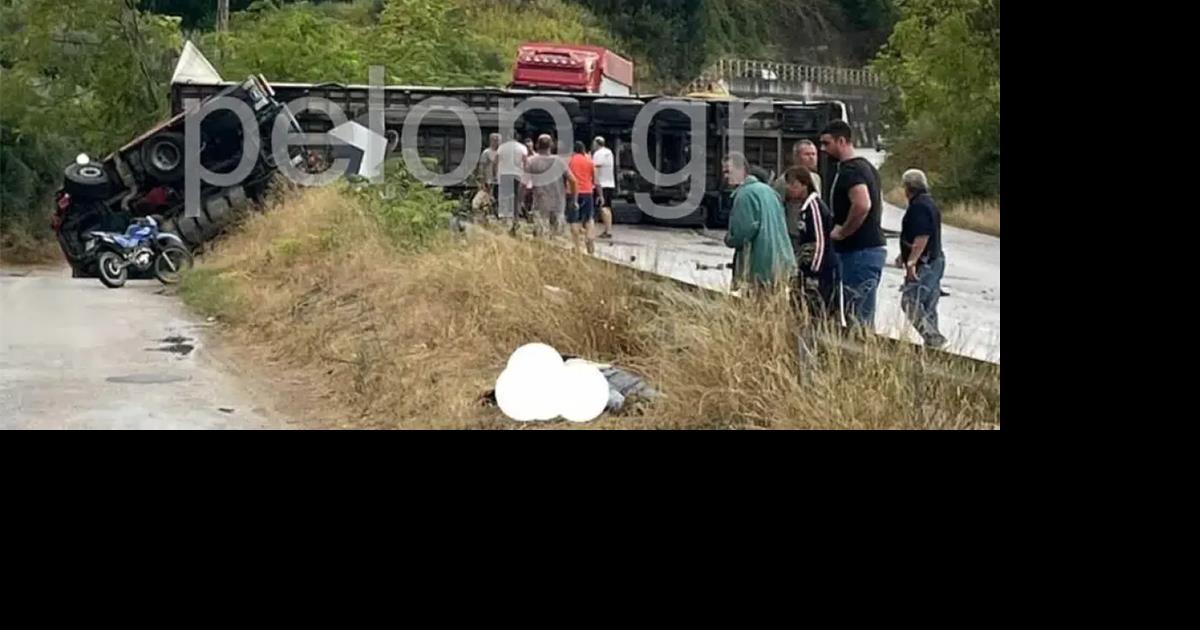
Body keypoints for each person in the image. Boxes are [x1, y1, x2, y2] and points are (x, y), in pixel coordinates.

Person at [821, 120, 886, 329]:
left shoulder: (852, 170)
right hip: (864, 251)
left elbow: (862, 204)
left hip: (859, 251)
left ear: (842, 141)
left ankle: (861, 349)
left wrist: (843, 231)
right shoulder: (866, 167)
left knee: (858, 319)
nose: (823, 149)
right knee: (857, 314)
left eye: (827, 143)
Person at [723, 152, 797, 289]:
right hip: (781, 262)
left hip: (759, 265)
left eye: (728, 172)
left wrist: (729, 239)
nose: (725, 176)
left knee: (756, 300)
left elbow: (743, 232)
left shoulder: (744, 195)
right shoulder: (769, 191)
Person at [781, 166, 840, 321]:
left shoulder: (814, 207)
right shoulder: (804, 209)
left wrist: (814, 272)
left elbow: (820, 241)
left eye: (793, 184)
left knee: (819, 313)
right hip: (806, 271)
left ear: (804, 185)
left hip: (820, 273)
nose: (789, 188)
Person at [897, 169, 947, 348]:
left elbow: (922, 236)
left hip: (925, 262)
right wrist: (903, 254)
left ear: (908, 187)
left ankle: (933, 338)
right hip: (935, 259)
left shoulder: (918, 206)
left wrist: (911, 262)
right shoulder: (929, 203)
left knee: (910, 301)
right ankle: (934, 348)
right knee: (928, 305)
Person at [525, 134, 578, 238]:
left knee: (541, 236)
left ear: (537, 145)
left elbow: (524, 183)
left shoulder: (531, 161)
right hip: (558, 204)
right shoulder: (559, 161)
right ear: (552, 145)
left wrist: (520, 199)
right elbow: (573, 181)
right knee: (557, 237)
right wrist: (574, 199)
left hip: (540, 204)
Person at [567, 141, 597, 254]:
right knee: (589, 218)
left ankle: (577, 246)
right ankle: (589, 239)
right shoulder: (589, 160)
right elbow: (595, 178)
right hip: (587, 192)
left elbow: (567, 177)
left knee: (574, 220)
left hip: (572, 192)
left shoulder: (570, 161)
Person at [496, 132, 529, 232]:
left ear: (508, 137)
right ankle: (516, 218)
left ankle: (505, 218)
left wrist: (495, 174)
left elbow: (496, 161)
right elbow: (525, 162)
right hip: (517, 174)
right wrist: (526, 175)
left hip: (504, 174)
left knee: (505, 197)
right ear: (517, 137)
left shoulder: (501, 147)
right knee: (516, 197)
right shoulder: (522, 148)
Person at [592, 137, 615, 239]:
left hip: (601, 184)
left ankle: (607, 231)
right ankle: (608, 229)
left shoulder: (598, 154)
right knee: (607, 207)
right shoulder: (609, 152)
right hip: (610, 183)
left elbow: (595, 168)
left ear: (596, 143)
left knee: (602, 208)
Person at [479, 133, 501, 206]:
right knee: (489, 199)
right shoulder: (486, 152)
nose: (497, 142)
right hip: (489, 180)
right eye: (495, 140)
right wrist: (482, 179)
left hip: (500, 180)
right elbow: (482, 166)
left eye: (498, 140)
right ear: (491, 141)